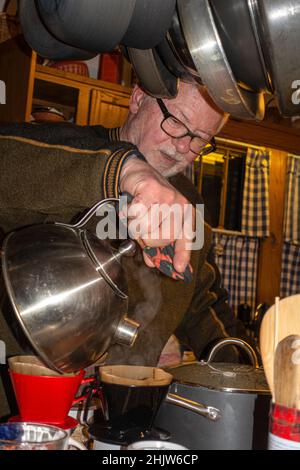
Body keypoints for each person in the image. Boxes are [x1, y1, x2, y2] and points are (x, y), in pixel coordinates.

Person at [0, 80, 258, 420]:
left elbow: (201, 302)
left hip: (120, 418)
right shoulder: (72, 153)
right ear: (138, 99)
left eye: (200, 139)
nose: (183, 146)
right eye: (177, 123)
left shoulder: (186, 207)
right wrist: (126, 171)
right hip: (22, 408)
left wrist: (252, 381)